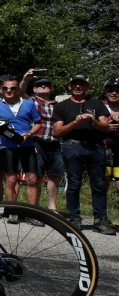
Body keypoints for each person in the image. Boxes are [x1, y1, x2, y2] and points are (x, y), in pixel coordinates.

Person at [51, 75, 115, 234]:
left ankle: (100, 220)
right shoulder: (62, 106)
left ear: (87, 87)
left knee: (99, 185)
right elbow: (57, 132)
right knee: (74, 183)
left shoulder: (97, 104)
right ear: (69, 86)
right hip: (72, 146)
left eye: (82, 84)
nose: (78, 86)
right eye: (75, 84)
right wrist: (76, 122)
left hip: (96, 146)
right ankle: (74, 218)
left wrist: (92, 121)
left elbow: (106, 127)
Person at [0, 74, 42, 218]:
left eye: (13, 88)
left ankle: (32, 213)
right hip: (8, 146)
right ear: (1, 89)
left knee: (32, 179)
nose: (9, 91)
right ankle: (12, 212)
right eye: (6, 88)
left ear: (17, 89)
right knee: (11, 180)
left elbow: (38, 123)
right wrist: (2, 131)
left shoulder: (28, 103)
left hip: (27, 145)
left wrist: (30, 133)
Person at [20, 72, 64, 216]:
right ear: (34, 89)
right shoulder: (30, 101)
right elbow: (20, 92)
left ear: (51, 89)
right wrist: (26, 79)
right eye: (40, 85)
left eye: (46, 85)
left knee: (55, 176)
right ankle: (35, 208)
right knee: (35, 177)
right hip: (36, 143)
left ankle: (52, 208)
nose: (43, 86)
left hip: (55, 143)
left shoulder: (58, 105)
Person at [104, 76, 119, 208]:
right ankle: (101, 212)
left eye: (117, 90)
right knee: (104, 180)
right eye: (110, 90)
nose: (114, 93)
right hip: (104, 148)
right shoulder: (99, 106)